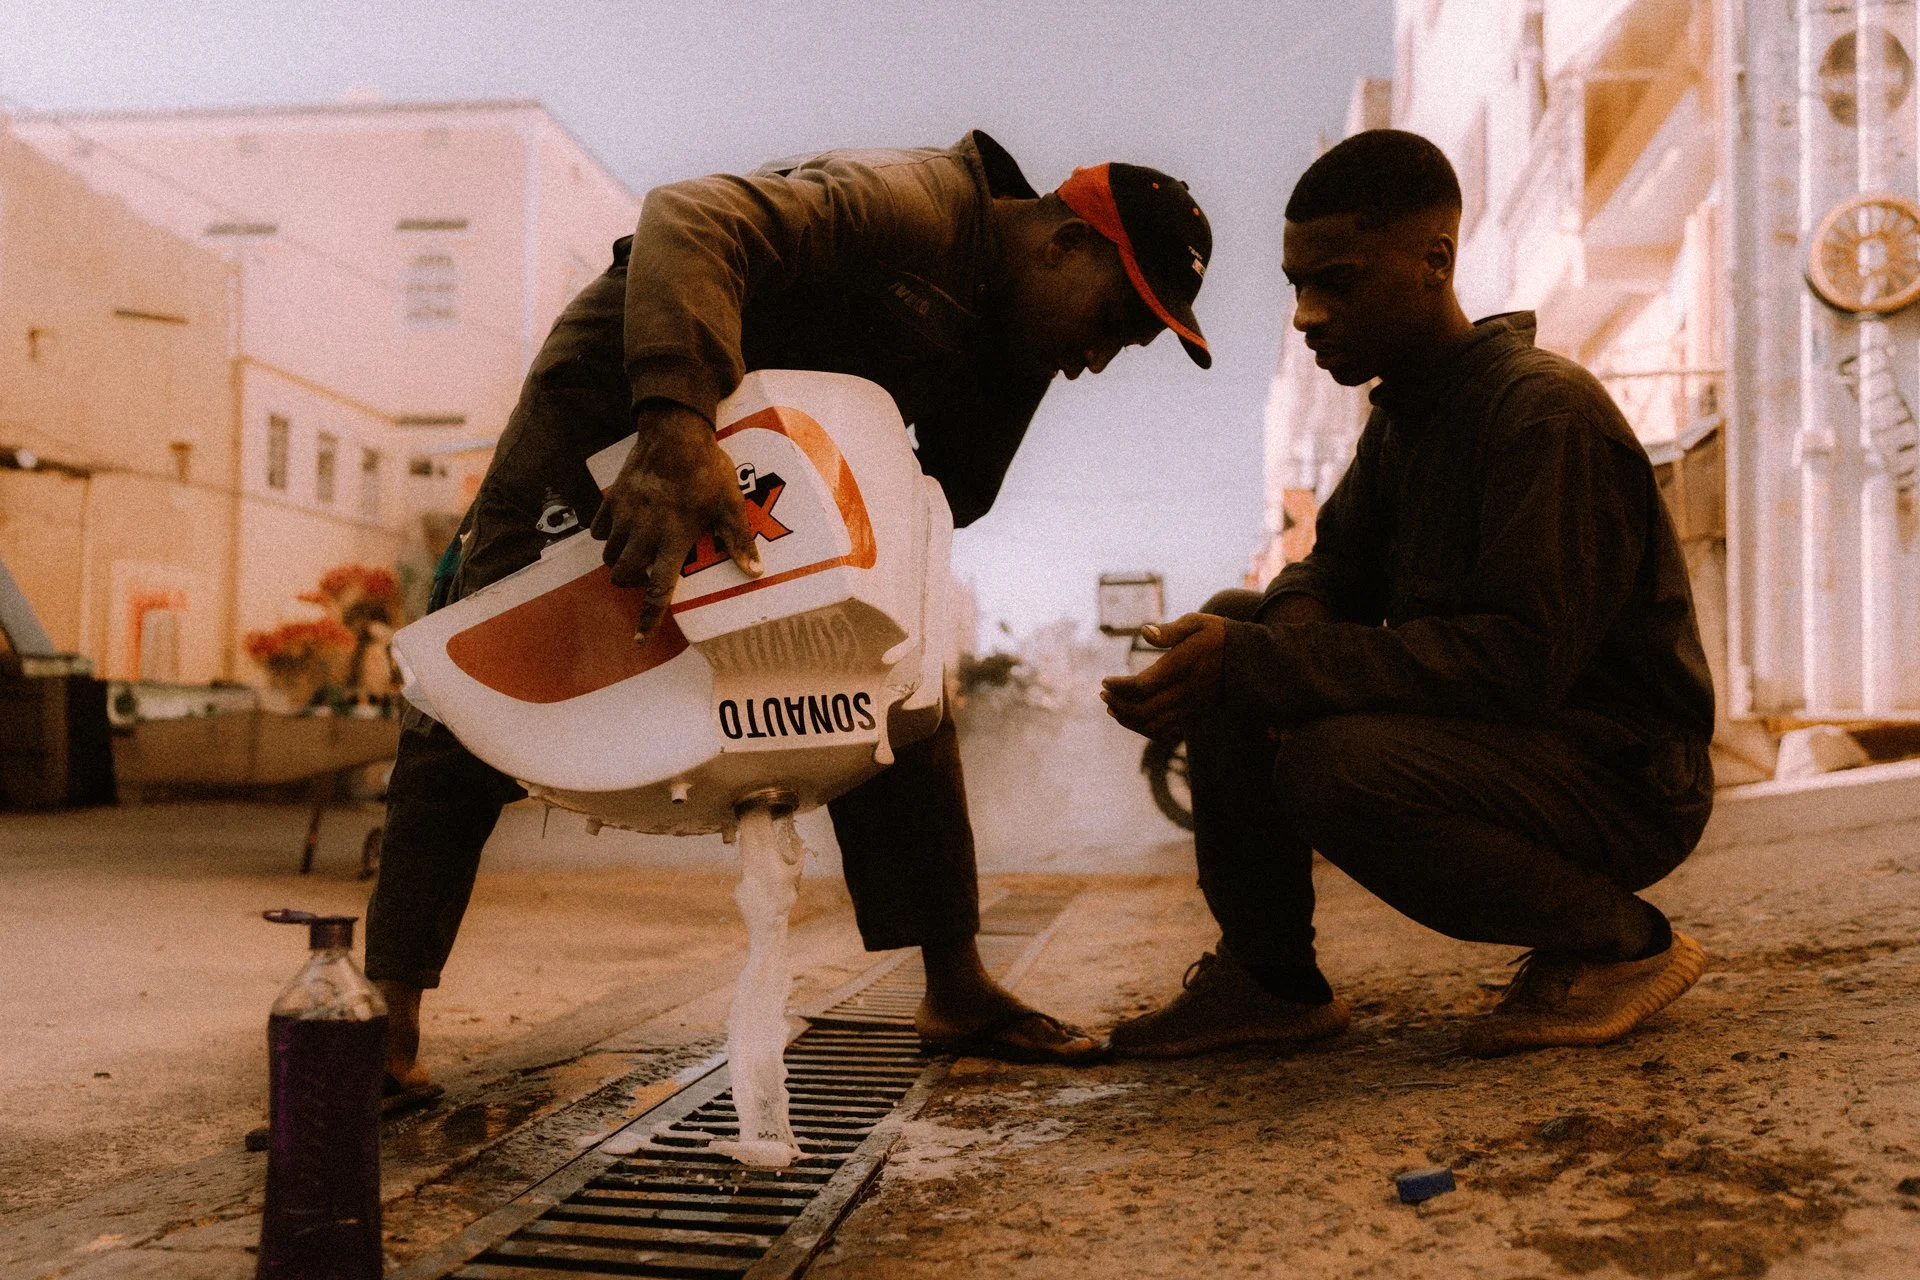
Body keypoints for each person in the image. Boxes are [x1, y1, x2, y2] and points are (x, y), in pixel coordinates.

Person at [367, 130, 1214, 1095]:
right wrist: (679, 424)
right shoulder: (916, 203)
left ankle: (957, 988)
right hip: (628, 395)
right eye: (1112, 319)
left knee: (893, 665)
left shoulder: (1019, 334)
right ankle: (384, 1032)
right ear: (1064, 244)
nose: (1096, 360)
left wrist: (845, 562)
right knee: (480, 668)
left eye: (1126, 346)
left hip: (774, 451)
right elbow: (688, 214)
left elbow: (947, 492)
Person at [1099, 129, 1715, 1060]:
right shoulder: (1408, 420)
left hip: (1620, 776)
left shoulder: (1540, 413)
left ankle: (1618, 944)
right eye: (1297, 286)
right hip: (1522, 748)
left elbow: (1517, 662)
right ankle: (1270, 981)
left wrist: (1274, 669)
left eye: (1336, 282)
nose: (1306, 315)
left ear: (1436, 261)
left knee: (1328, 762)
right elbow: (1324, 571)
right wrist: (1265, 655)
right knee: (1239, 618)